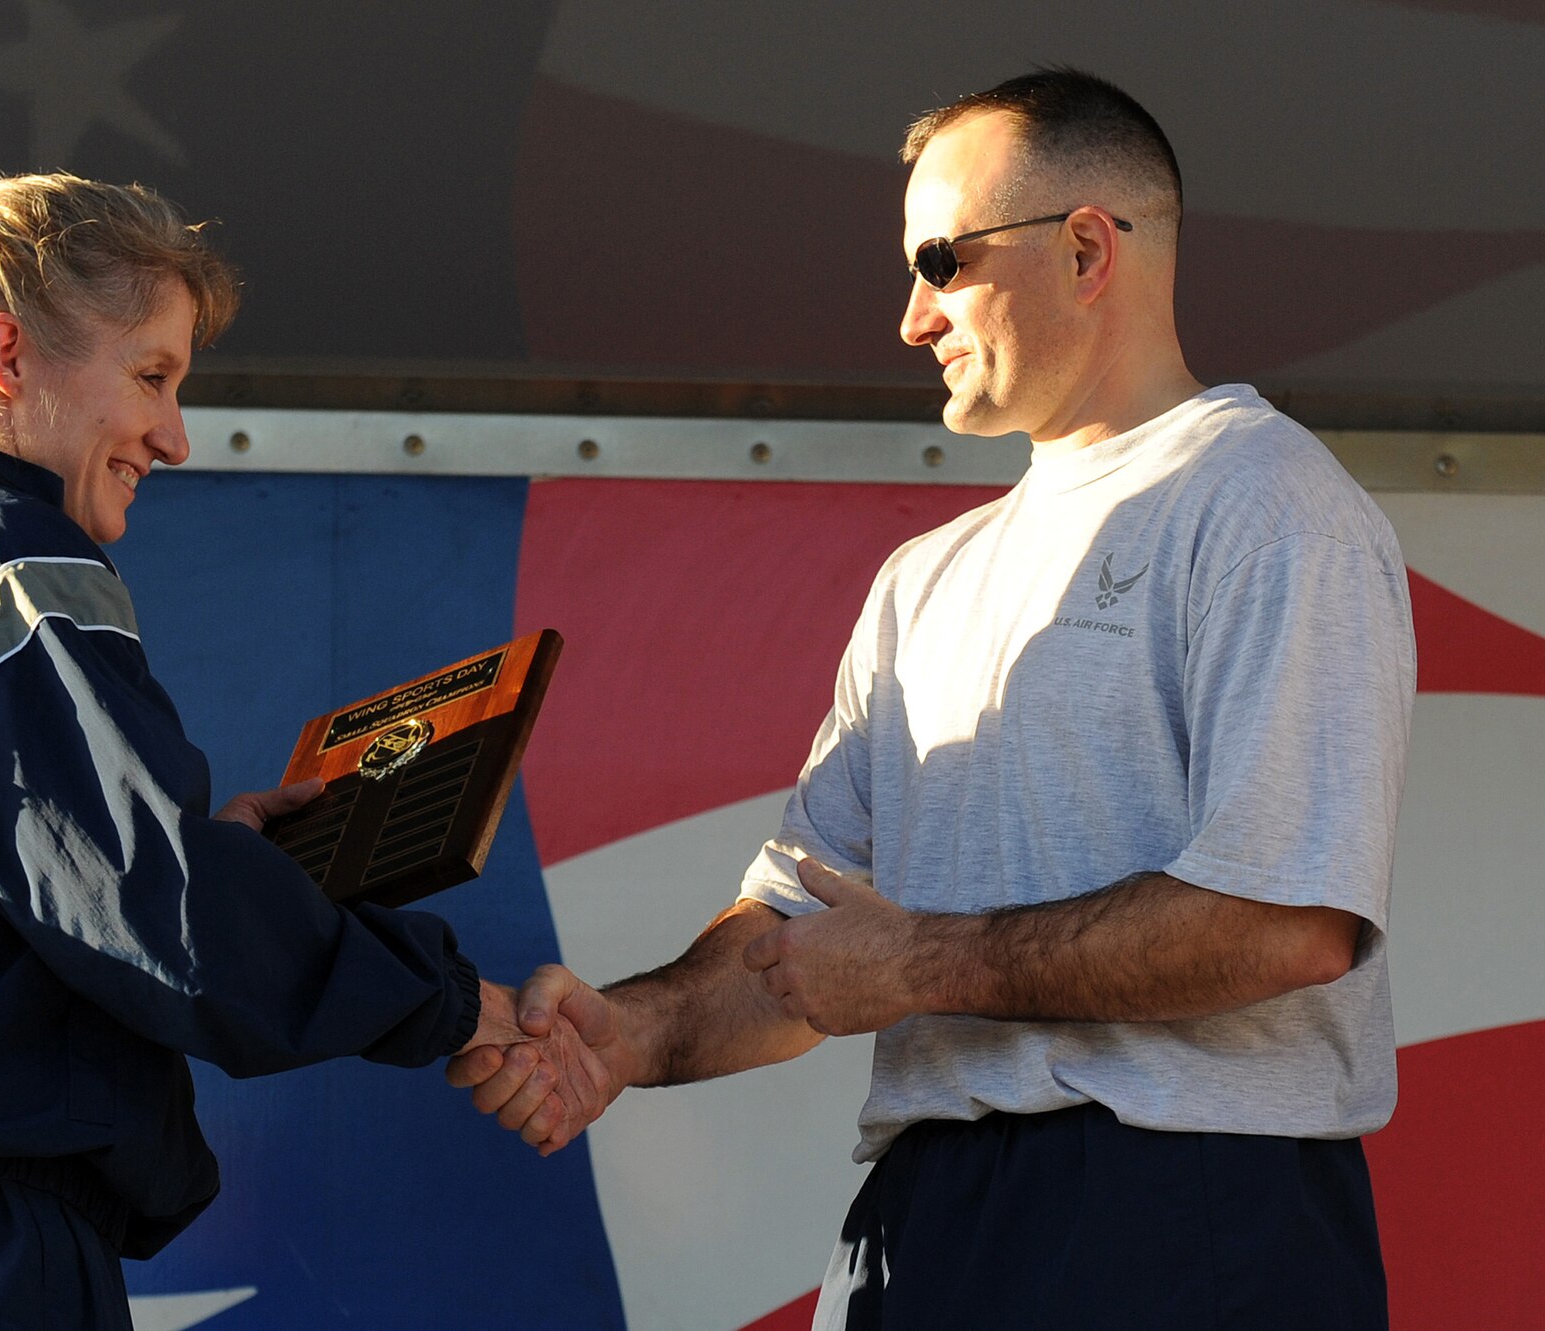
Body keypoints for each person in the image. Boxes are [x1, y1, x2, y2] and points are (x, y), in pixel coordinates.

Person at [452, 69, 1414, 1329]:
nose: (910, 317)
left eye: (940, 259)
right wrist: (622, 1034)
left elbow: (1284, 920)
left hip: (1186, 1206)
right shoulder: (926, 577)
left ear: (1083, 249)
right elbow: (801, 926)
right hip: (929, 1217)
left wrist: (916, 964)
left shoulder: (1267, 503)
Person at [0, 172, 597, 1330]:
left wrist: (199, 854)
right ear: (6, 357)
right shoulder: (2, 556)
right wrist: (460, 1003)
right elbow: (156, 910)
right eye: (150, 375)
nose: (176, 435)